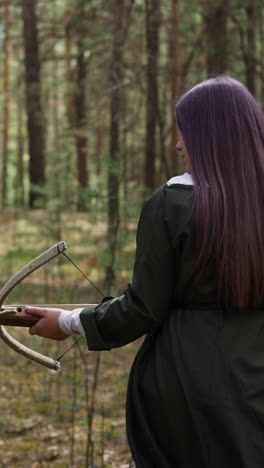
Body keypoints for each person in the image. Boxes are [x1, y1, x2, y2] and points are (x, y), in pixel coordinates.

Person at [26, 75, 264, 468]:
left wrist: (67, 322)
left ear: (211, 137)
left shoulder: (173, 203)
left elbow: (142, 309)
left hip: (185, 387)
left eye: (185, 133)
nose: (178, 144)